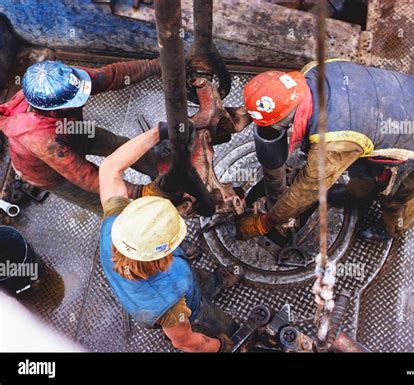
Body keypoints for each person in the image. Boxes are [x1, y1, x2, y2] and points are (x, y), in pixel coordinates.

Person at [237, 60, 414, 242]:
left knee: (400, 198)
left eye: (277, 125)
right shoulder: (312, 71)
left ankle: (391, 230)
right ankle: (358, 195)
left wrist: (266, 222)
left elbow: (308, 189)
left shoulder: (332, 140)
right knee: (363, 170)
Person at [99, 127, 240, 352]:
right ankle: (231, 334)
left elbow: (109, 168)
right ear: (165, 257)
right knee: (210, 319)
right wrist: (219, 346)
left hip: (176, 284)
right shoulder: (171, 308)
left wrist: (159, 131)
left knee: (196, 278)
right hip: (185, 307)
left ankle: (214, 282)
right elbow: (185, 341)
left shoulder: (114, 224)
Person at [0, 59, 164, 215]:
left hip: (72, 130)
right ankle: (133, 231)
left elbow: (112, 75)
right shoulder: (39, 138)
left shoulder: (68, 83)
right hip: (50, 172)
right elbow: (86, 176)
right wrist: (139, 191)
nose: (82, 100)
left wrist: (155, 66)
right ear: (55, 109)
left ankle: (165, 169)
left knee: (118, 145)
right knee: (108, 203)